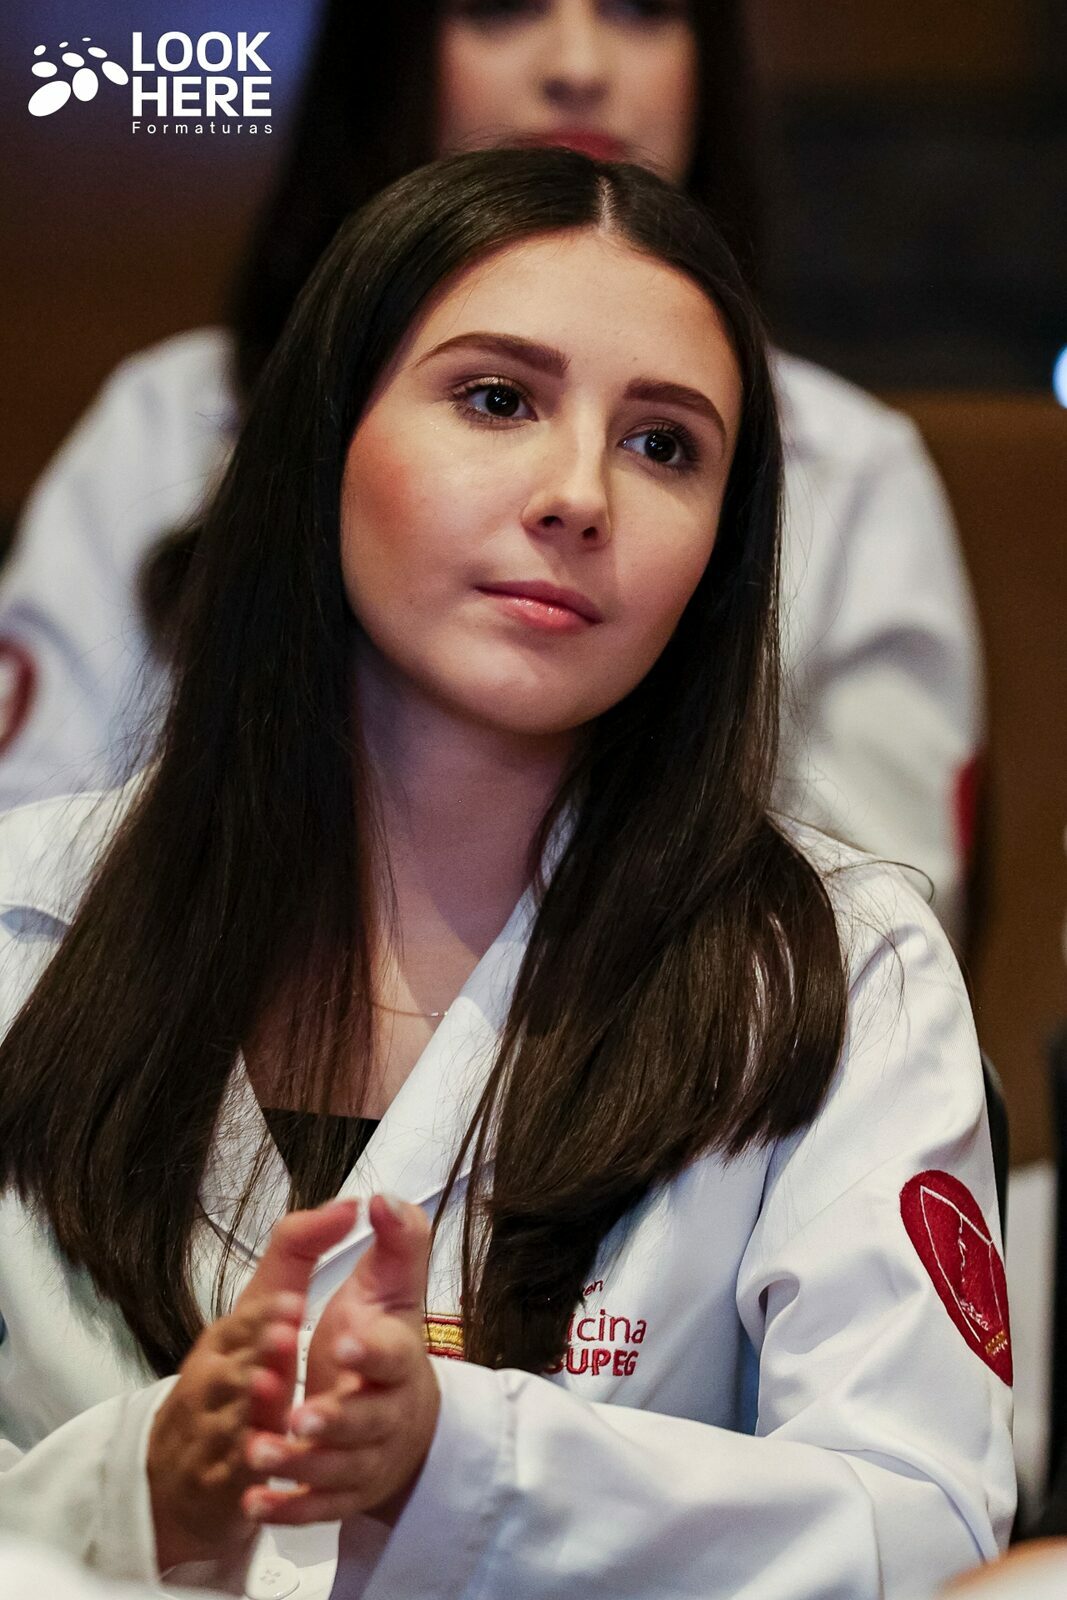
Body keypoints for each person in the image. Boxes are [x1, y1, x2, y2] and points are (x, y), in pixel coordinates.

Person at [0, 148, 1012, 1600]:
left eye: (663, 445)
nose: (578, 494)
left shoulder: (838, 968)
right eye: (495, 399)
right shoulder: (22, 916)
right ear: (322, 435)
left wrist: (460, 1466)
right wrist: (131, 1492)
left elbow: (924, 1530)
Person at [0, 0, 982, 945]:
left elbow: (863, 946)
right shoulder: (176, 417)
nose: (577, 66)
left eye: (662, 446)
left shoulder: (851, 467)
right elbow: (34, 887)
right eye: (496, 400)